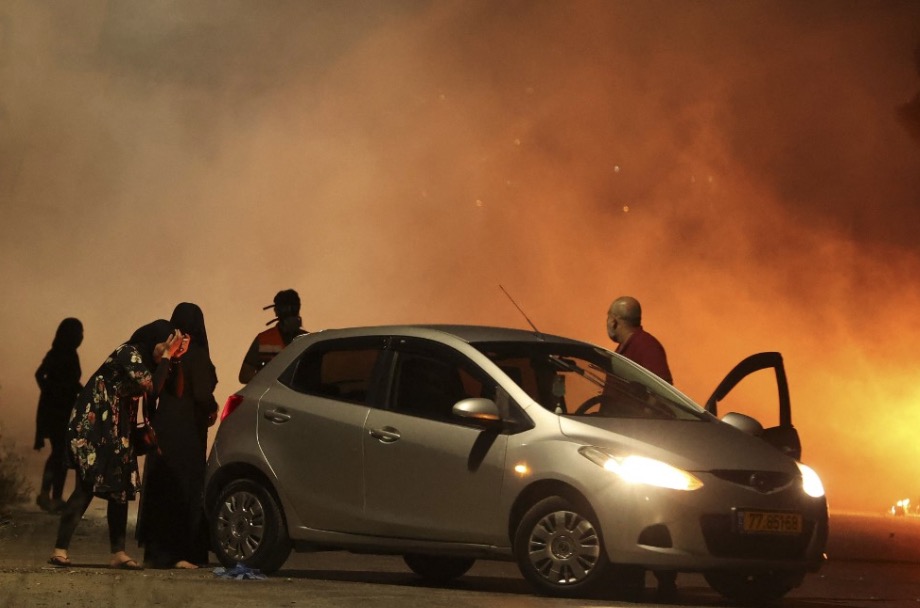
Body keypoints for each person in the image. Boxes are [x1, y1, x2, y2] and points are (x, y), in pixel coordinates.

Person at [48, 320, 188, 570]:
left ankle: (118, 553)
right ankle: (60, 549)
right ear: (151, 340)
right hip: (93, 423)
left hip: (117, 426)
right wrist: (168, 355)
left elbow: (173, 391)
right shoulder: (129, 352)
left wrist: (175, 358)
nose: (165, 350)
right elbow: (153, 388)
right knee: (87, 483)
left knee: (120, 487)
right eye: (163, 344)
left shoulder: (150, 362)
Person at [137, 303, 218, 569]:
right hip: (187, 433)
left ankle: (157, 553)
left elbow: (152, 390)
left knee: (162, 487)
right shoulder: (198, 355)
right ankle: (183, 554)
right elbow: (203, 395)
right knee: (186, 490)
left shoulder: (166, 351)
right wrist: (212, 409)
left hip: (163, 428)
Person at [606, 295, 677, 597]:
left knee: (646, 508)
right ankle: (629, 572)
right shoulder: (628, 349)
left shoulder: (645, 346)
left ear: (614, 320)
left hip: (638, 441)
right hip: (624, 438)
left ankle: (662, 577)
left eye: (608, 318)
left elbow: (661, 389)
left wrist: (643, 423)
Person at [33, 318, 84, 513]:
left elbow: (71, 381)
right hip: (56, 410)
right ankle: (50, 496)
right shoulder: (59, 355)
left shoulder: (69, 354)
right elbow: (40, 375)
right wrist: (52, 391)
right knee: (59, 453)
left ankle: (52, 497)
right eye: (78, 333)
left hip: (62, 408)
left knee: (61, 454)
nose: (81, 337)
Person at [238, 289, 307, 383]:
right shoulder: (263, 339)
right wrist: (268, 381)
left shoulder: (307, 340)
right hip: (270, 396)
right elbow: (245, 376)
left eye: (293, 308)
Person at [606, 296, 672, 383]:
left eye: (608, 317)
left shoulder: (647, 347)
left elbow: (663, 389)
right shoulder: (628, 347)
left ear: (613, 322)